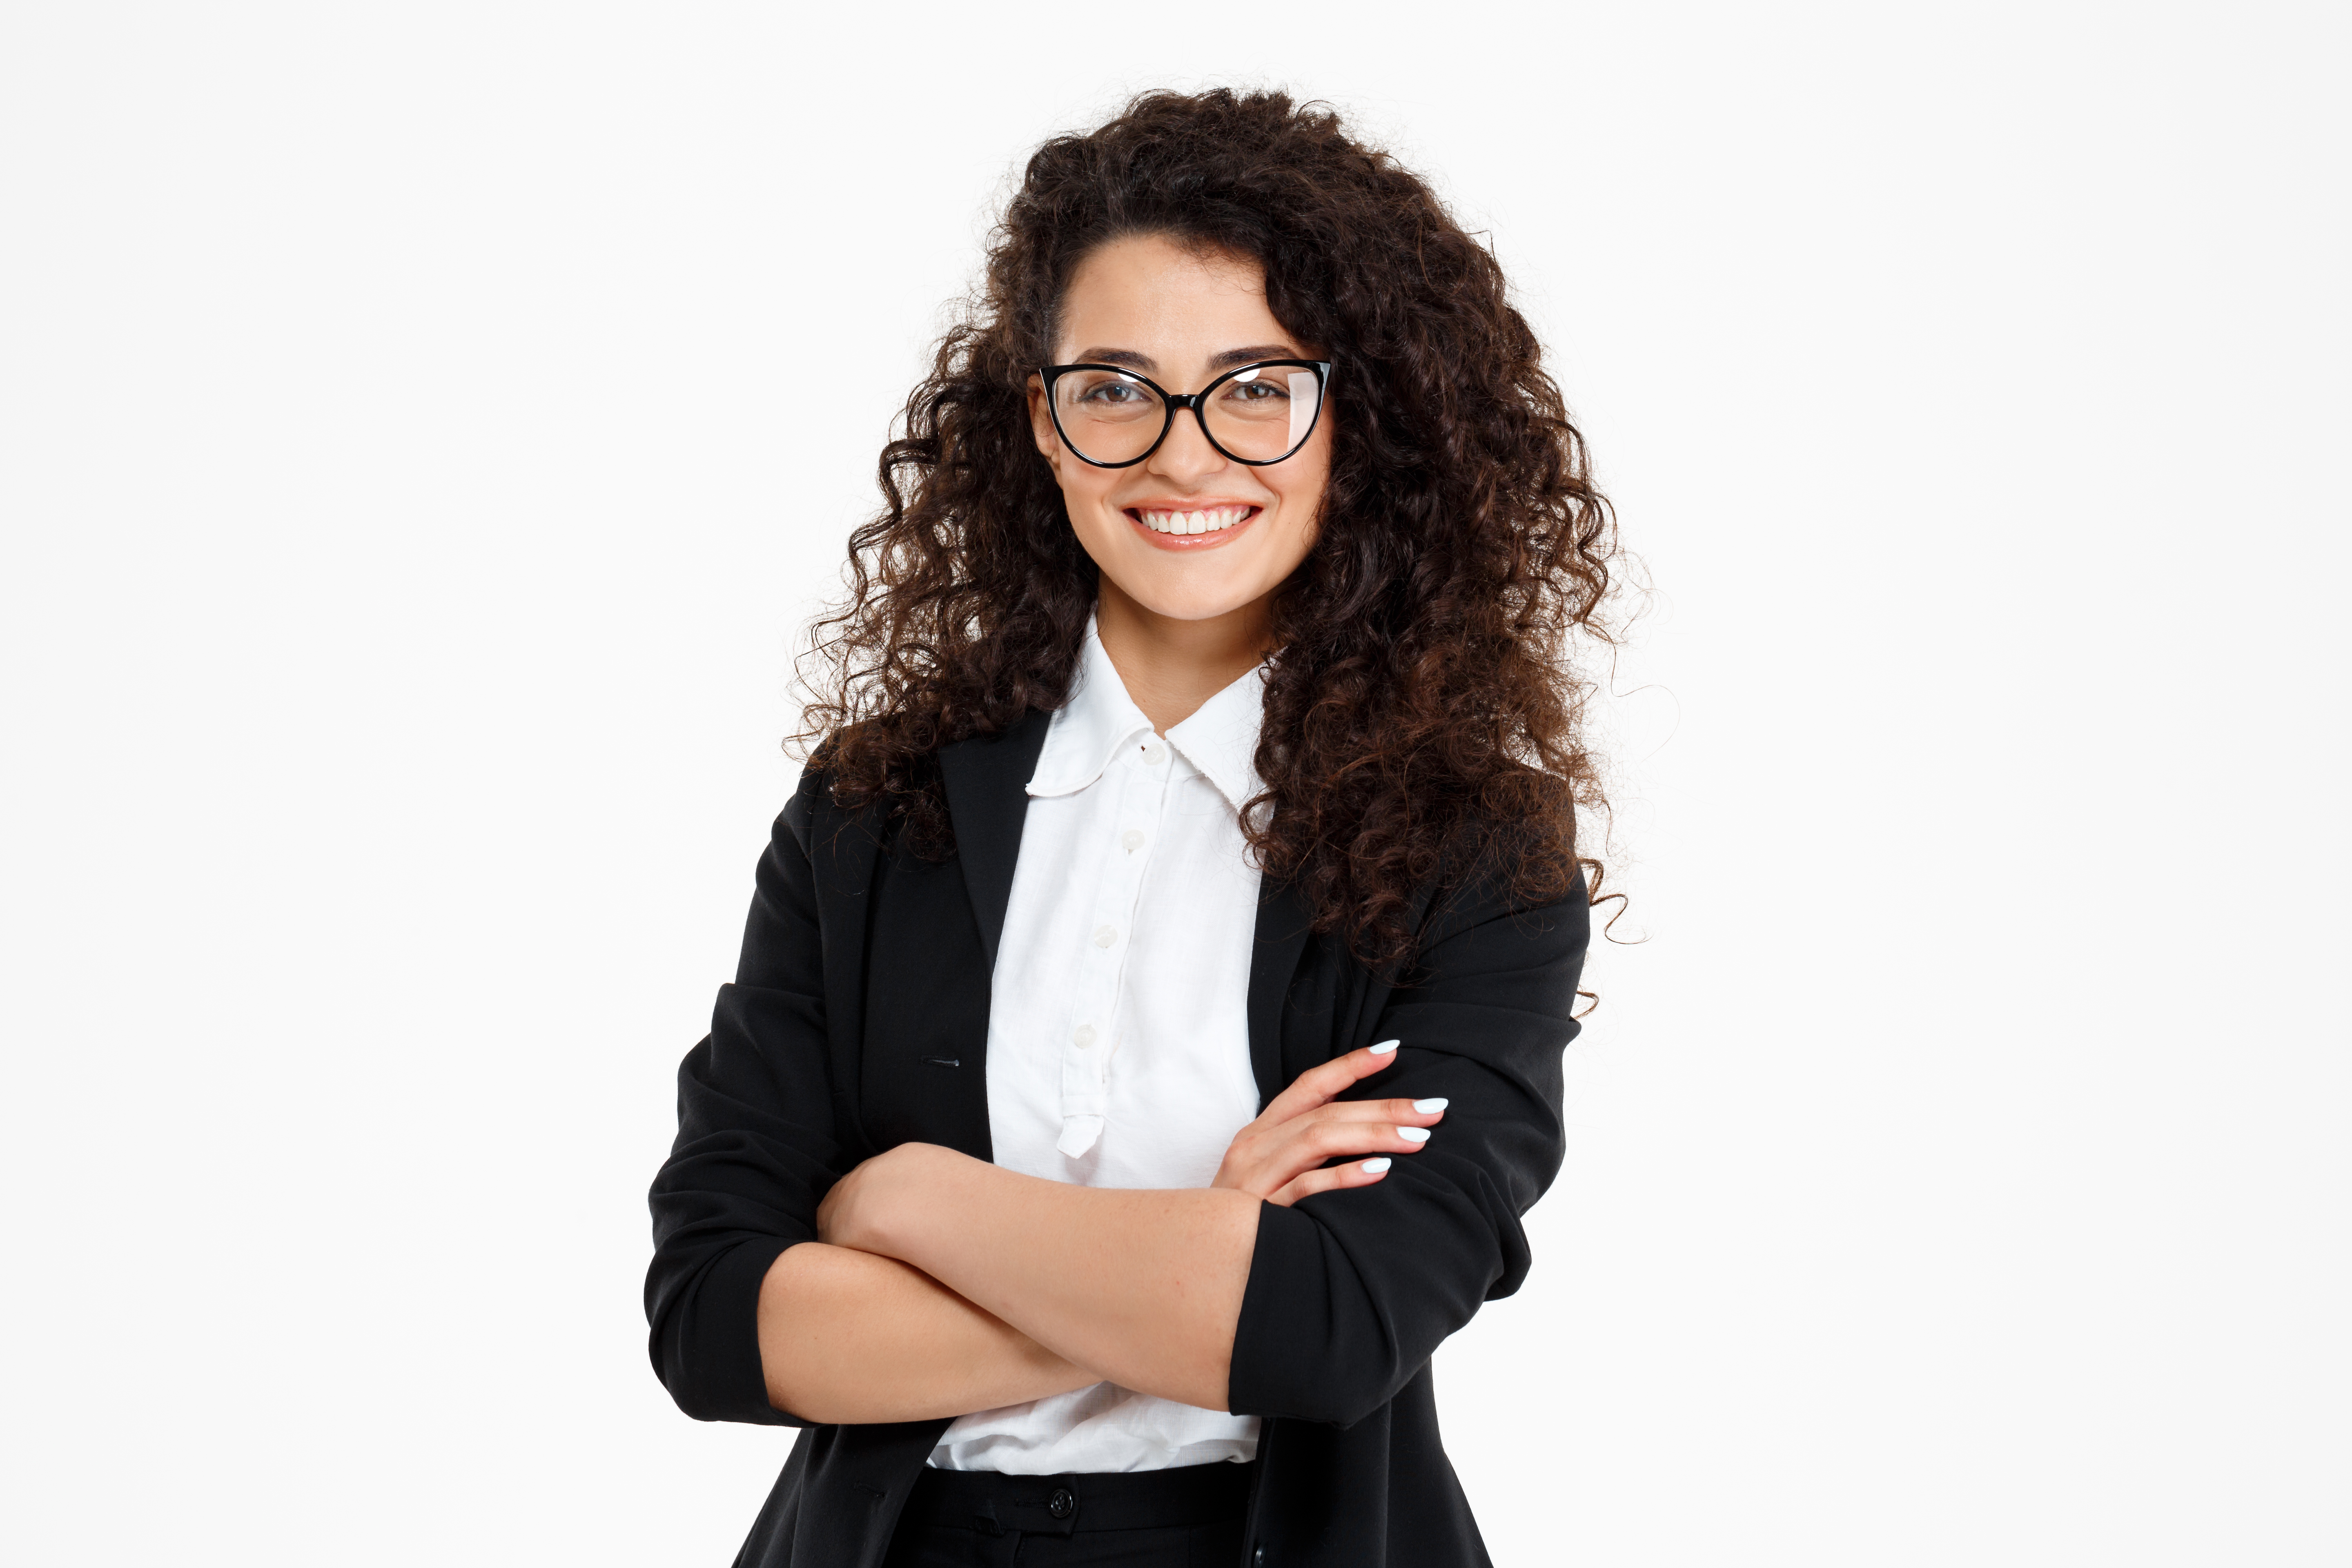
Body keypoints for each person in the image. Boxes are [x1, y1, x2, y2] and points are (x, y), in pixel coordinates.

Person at [646, 87, 1621, 1568]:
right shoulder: (869, 812)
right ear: (1043, 419)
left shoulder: (1475, 847)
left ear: (1355, 416)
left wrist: (908, 1199)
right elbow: (717, 1322)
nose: (1182, 455)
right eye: (1114, 386)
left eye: (1255, 387)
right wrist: (1190, 1260)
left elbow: (1333, 1327)